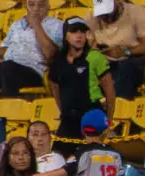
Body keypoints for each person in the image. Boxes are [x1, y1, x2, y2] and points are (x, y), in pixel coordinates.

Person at [49, 17, 115, 158]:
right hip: (68, 118)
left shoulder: (95, 57)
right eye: (74, 31)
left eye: (83, 32)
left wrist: (108, 120)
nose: (79, 36)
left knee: (91, 158)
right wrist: (65, 110)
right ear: (66, 34)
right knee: (58, 157)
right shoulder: (58, 60)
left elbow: (109, 90)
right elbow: (55, 87)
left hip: (91, 114)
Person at [19, 108, 123, 176]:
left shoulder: (83, 152)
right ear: (106, 131)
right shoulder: (115, 154)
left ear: (82, 131)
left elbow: (64, 171)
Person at [86, 0, 145, 100]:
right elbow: (87, 42)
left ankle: (119, 105)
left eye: (108, 12)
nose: (106, 17)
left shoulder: (136, 12)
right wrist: (94, 47)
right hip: (106, 59)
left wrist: (126, 52)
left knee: (125, 68)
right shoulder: (92, 18)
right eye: (102, 14)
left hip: (133, 58)